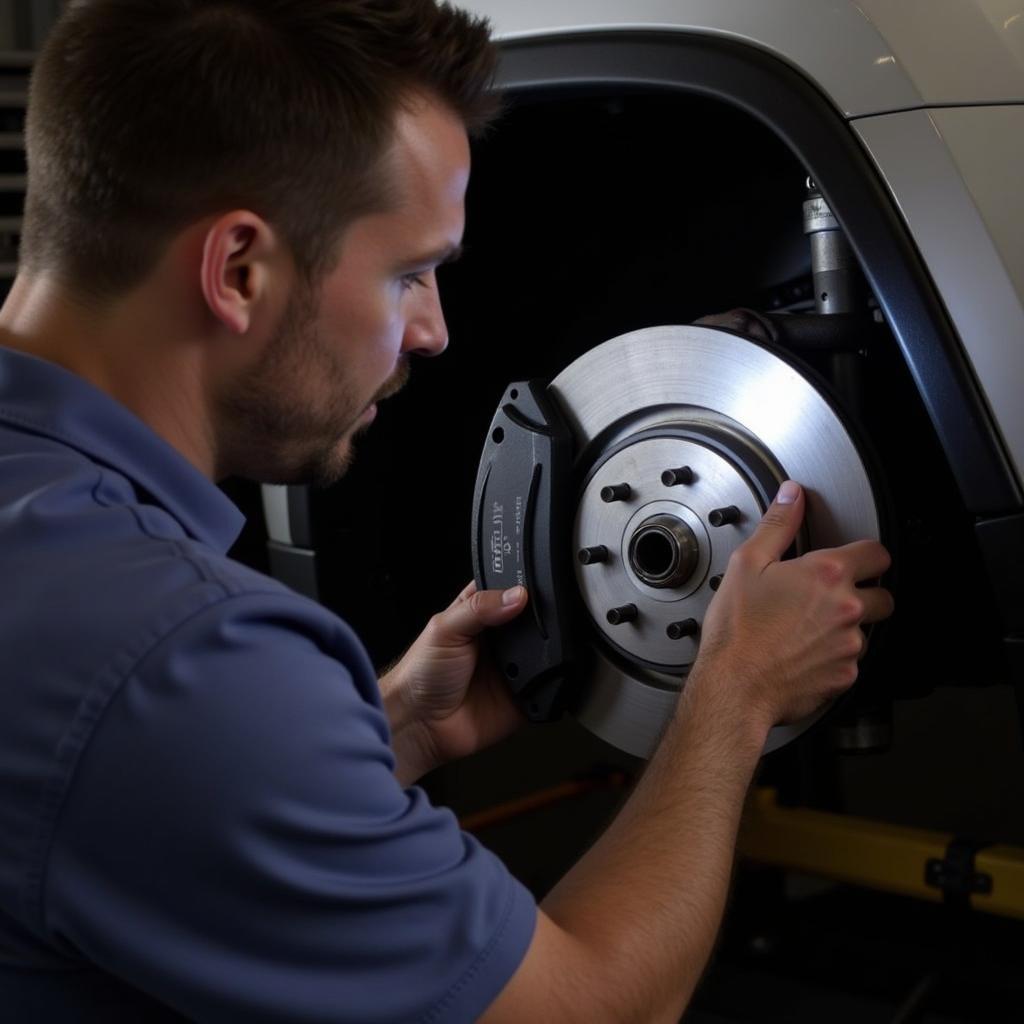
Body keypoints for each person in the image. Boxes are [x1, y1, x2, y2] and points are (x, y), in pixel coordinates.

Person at [0, 1, 893, 1021]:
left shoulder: (66, 566)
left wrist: (386, 730)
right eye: (408, 274)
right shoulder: (173, 656)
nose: (433, 331)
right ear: (239, 270)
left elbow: (126, 791)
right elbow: (591, 1011)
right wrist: (733, 693)